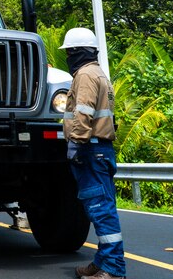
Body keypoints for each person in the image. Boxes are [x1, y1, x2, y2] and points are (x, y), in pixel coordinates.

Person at [61, 28, 126, 279]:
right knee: (101, 207)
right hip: (101, 149)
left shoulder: (85, 75)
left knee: (101, 209)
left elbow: (83, 111)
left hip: (91, 149)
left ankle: (112, 268)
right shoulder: (99, 73)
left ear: (76, 52)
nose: (68, 57)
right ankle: (102, 261)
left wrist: (76, 142)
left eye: (69, 52)